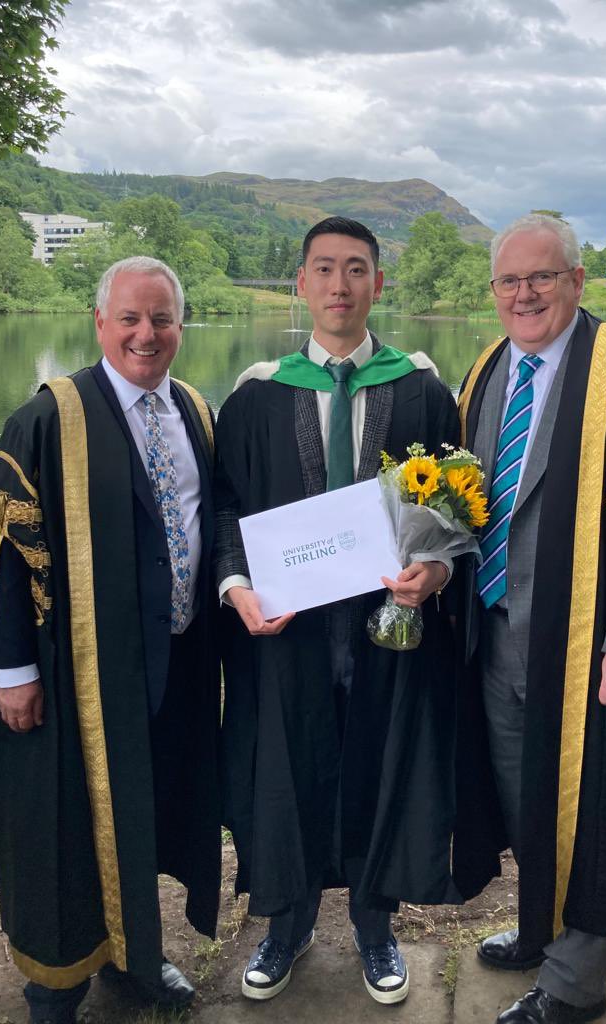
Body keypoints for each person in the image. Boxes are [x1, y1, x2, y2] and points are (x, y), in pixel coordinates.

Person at [215, 216, 463, 1006]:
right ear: (301, 282)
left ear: (378, 284)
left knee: (379, 764)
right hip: (288, 634)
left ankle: (373, 924)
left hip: (388, 629)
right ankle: (286, 925)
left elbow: (459, 508)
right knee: (288, 767)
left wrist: (435, 569)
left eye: (356, 269)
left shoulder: (421, 389)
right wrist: (235, 586)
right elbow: (225, 509)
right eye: (324, 269)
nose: (339, 286)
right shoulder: (257, 396)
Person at [455, 215, 606, 1024]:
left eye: (542, 278)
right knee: (527, 797)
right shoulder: (491, 366)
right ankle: (541, 928)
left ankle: (574, 985)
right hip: (496, 632)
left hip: (586, 645)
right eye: (509, 282)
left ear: (577, 281)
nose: (524, 295)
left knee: (597, 808)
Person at [0, 257, 221, 1024]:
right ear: (100, 322)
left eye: (162, 319)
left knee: (142, 812)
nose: (147, 334)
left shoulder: (197, 412)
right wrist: (13, 671)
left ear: (181, 325)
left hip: (172, 662)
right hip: (75, 669)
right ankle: (56, 984)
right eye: (130, 319)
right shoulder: (48, 418)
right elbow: (4, 551)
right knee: (65, 826)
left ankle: (135, 956)